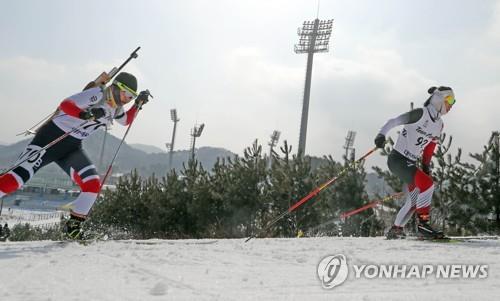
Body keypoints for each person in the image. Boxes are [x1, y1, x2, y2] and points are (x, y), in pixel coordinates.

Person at [0, 72, 151, 239]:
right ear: (116, 87)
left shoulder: (116, 108)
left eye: (132, 96)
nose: (127, 99)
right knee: (16, 179)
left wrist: (137, 104)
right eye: (127, 94)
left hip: (71, 148)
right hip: (50, 139)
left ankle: (74, 228)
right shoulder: (97, 94)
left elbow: (126, 121)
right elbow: (66, 104)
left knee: (93, 184)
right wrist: (84, 114)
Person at [374, 86, 456, 239]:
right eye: (450, 99)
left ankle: (396, 229)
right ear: (439, 99)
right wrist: (381, 135)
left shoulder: (439, 125)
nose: (452, 104)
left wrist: (426, 168)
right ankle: (423, 225)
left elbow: (430, 148)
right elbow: (394, 121)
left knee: (413, 201)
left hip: (409, 162)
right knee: (427, 185)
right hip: (397, 159)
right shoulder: (420, 114)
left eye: (454, 101)